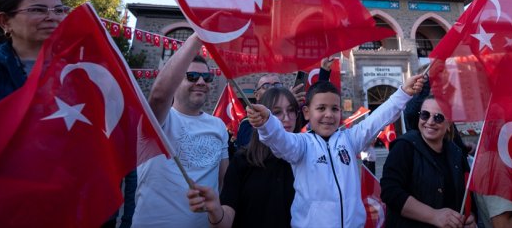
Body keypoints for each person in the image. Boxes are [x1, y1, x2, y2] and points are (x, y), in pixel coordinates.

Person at [248, 74, 424, 227]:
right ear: (307, 112)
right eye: (321, 108)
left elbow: (377, 119)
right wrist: (267, 123)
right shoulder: (301, 145)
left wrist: (403, 93)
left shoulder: (349, 139)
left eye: (334, 109)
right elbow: (280, 139)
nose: (329, 115)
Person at [132, 33, 229, 228]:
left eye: (207, 77)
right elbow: (159, 95)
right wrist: (199, 35)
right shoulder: (156, 120)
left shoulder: (218, 126)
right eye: (192, 76)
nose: (201, 82)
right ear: (176, 81)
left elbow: (224, 181)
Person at [187, 86, 302, 227]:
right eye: (276, 112)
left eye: (291, 110)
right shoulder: (243, 160)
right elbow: (225, 220)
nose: (286, 118)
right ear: (260, 117)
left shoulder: (306, 158)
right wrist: (215, 210)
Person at [381, 95, 475, 228]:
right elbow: (390, 192)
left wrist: (470, 217)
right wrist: (434, 215)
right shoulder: (404, 146)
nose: (430, 122)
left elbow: (468, 193)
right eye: (425, 115)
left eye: (438, 117)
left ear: (449, 124)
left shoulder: (456, 153)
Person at [0, 0, 69, 111]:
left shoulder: (78, 65)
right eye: (37, 10)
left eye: (59, 10)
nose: (52, 17)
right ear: (4, 21)